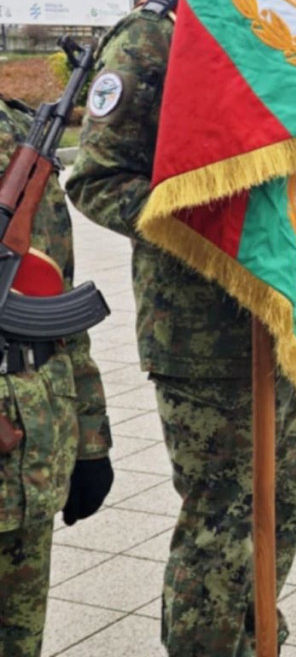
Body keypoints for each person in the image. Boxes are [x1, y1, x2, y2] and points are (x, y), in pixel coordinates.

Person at [68, 0, 296, 655]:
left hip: (291, 317)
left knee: (287, 508)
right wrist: (216, 229)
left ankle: (254, 638)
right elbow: (96, 179)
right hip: (203, 333)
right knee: (223, 526)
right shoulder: (154, 37)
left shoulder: (292, 27)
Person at [0, 100, 113, 657]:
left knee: (20, 637)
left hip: (30, 439)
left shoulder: (22, 132)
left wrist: (91, 440)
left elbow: (56, 294)